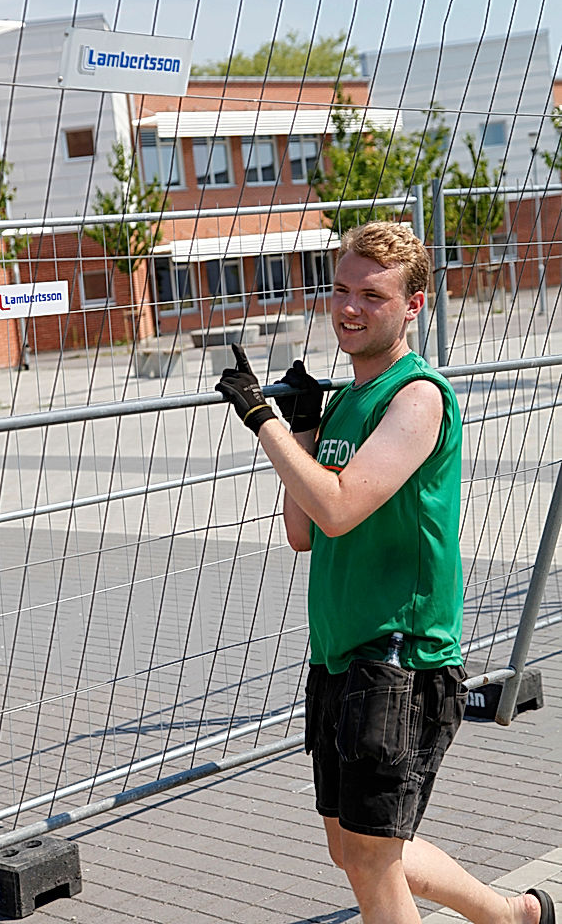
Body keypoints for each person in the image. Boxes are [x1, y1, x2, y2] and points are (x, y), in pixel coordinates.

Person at [215, 221, 554, 924]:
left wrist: (261, 421)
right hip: (340, 650)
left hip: (399, 658)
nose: (348, 306)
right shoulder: (346, 401)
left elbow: (338, 508)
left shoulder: (416, 397)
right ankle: (510, 916)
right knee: (354, 849)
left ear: (412, 306)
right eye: (339, 289)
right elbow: (303, 531)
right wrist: (304, 426)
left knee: (371, 859)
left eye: (371, 295)